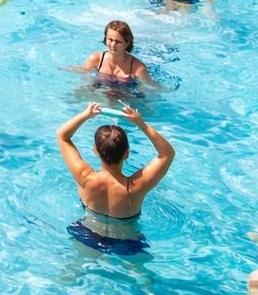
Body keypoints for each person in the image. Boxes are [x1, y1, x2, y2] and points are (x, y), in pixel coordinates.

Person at [56, 102, 175, 253]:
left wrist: (86, 115)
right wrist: (140, 123)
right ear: (127, 154)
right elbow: (167, 154)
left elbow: (62, 136)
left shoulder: (84, 177)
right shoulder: (136, 187)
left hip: (88, 234)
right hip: (127, 242)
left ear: (95, 150)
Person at [79, 20, 157, 90]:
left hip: (125, 92)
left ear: (127, 43)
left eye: (118, 42)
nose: (113, 45)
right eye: (110, 40)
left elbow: (149, 88)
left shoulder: (138, 68)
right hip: (101, 87)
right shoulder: (95, 59)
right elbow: (83, 76)